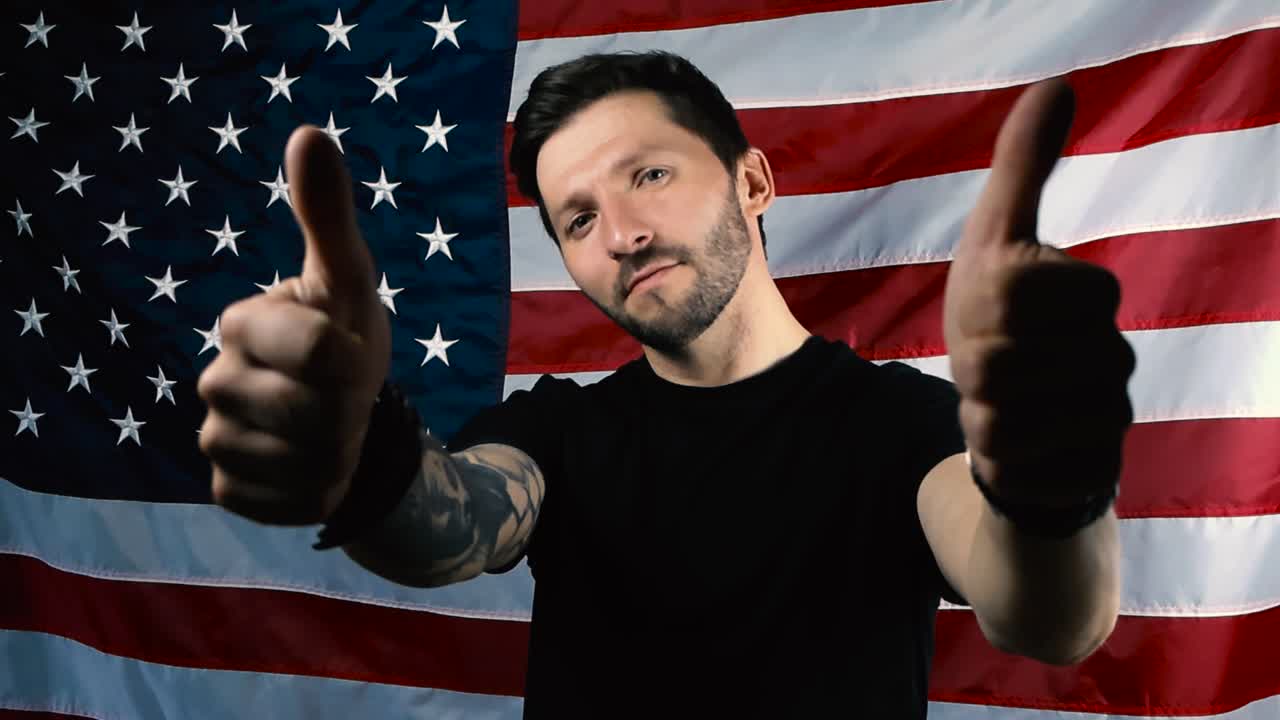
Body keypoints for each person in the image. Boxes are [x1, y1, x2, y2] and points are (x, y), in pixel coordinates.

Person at [196, 51, 1135, 718]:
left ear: (754, 181)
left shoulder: (902, 422)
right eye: (577, 219)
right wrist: (364, 448)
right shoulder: (558, 430)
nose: (621, 234)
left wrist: (1052, 484)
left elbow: (1048, 618)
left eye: (649, 174)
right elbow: (455, 525)